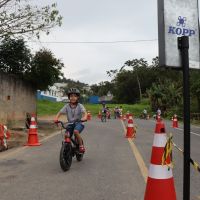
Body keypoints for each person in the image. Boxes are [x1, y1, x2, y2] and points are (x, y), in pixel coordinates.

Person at [54, 88, 87, 153]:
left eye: (75, 96)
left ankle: (81, 146)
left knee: (76, 131)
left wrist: (84, 117)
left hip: (79, 123)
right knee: (66, 135)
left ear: (77, 97)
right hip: (70, 124)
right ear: (69, 97)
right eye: (71, 96)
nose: (73, 98)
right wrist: (56, 118)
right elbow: (60, 112)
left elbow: (84, 113)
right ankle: (67, 146)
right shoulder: (66, 106)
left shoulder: (80, 106)